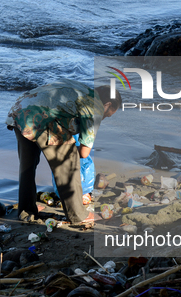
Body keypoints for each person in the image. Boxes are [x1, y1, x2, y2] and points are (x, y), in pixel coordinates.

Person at [6, 79, 122, 226]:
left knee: (27, 165)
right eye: (108, 115)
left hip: (20, 109)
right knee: (69, 159)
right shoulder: (97, 106)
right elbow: (84, 153)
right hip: (43, 118)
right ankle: (78, 215)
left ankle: (27, 211)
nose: (104, 118)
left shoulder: (82, 89)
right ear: (107, 105)